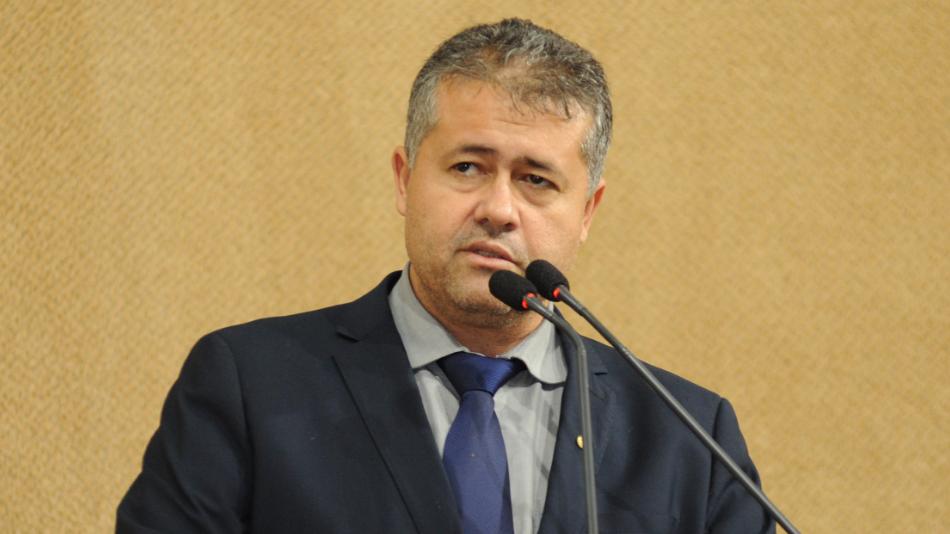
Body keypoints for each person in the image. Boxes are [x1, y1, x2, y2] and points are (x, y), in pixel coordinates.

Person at [117, 18, 774, 534]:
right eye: (467, 167)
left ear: (587, 213)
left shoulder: (690, 437)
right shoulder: (249, 386)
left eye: (536, 180)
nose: (498, 209)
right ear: (405, 180)